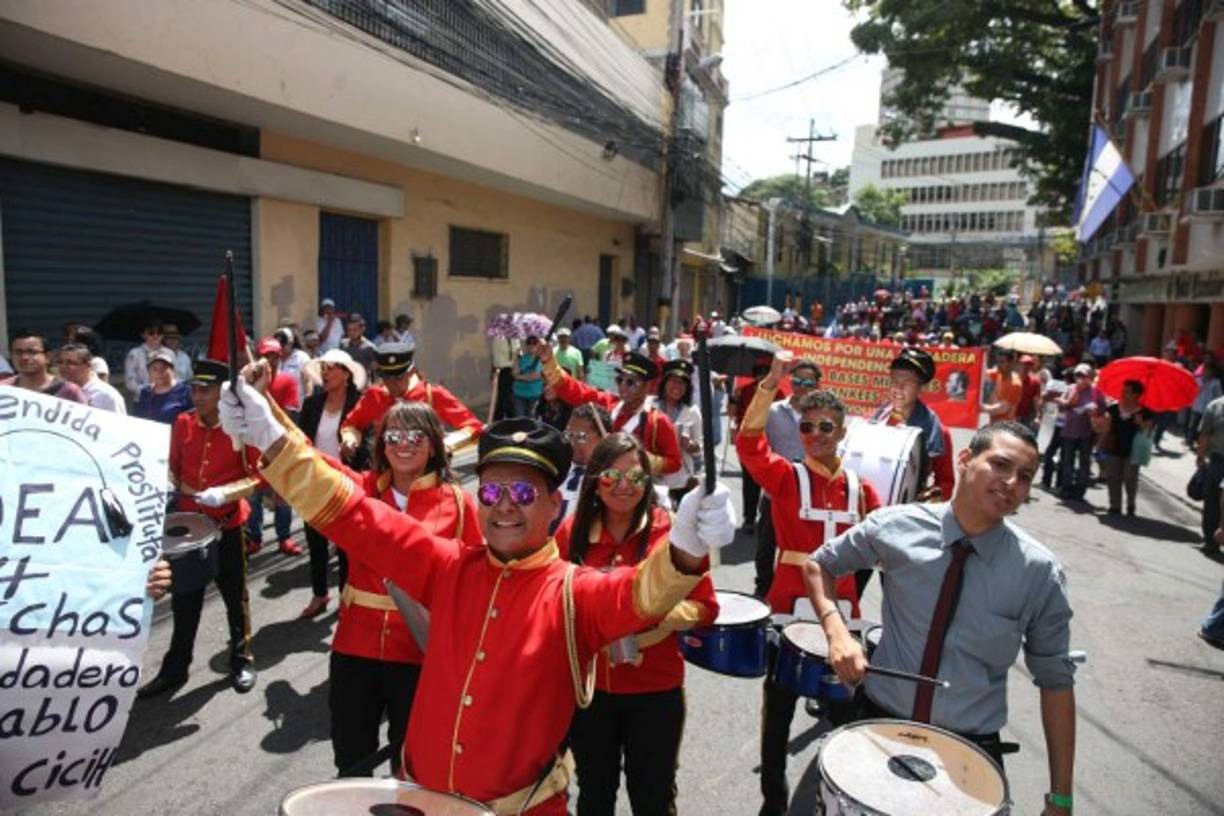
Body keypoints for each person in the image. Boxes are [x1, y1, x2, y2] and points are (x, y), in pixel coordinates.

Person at [218, 376, 737, 814]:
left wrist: (687, 548)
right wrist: (273, 438)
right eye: (490, 491)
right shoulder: (448, 567)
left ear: (556, 504)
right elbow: (357, 515)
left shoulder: (574, 593)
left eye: (523, 493)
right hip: (419, 803)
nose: (504, 506)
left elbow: (642, 594)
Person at [804, 421, 1077, 816]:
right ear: (965, 460)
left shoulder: (1038, 572)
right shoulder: (896, 526)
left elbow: (1056, 683)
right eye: (1000, 465)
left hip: (970, 754)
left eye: (1025, 477)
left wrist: (1061, 799)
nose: (1011, 482)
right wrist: (837, 633)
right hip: (877, 727)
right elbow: (820, 565)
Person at [737, 352, 882, 816]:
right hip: (785, 614)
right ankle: (773, 804)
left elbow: (882, 550)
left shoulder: (864, 490)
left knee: (845, 722)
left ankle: (834, 801)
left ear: (842, 432)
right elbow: (749, 444)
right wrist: (769, 385)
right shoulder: (784, 477)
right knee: (776, 721)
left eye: (826, 427)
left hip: (842, 622)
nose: (815, 435)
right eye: (807, 426)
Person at [555, 432, 718, 815]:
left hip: (655, 688)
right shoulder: (570, 532)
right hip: (590, 691)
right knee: (594, 794)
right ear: (596, 480)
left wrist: (652, 616)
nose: (624, 487)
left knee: (653, 797)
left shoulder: (672, 533)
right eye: (612, 477)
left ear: (648, 483)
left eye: (636, 478)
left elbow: (706, 608)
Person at [323, 401, 482, 776]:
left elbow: (477, 584)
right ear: (381, 445)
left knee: (412, 762)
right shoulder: (360, 490)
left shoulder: (460, 503)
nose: (403, 444)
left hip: (420, 654)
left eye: (416, 435)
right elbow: (311, 469)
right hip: (354, 646)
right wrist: (262, 415)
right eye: (393, 436)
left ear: (434, 445)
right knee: (350, 756)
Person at [138, 360, 262, 697]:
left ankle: (242, 658)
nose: (197, 395)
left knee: (235, 597)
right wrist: (169, 483)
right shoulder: (182, 422)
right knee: (185, 600)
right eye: (193, 388)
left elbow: (258, 478)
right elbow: (173, 466)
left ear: (222, 392)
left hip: (228, 524)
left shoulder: (241, 427)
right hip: (189, 527)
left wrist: (226, 493)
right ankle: (175, 669)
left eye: (204, 389)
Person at [296, 349, 368, 617]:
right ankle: (319, 594)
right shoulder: (312, 404)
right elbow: (300, 443)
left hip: (347, 483)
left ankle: (345, 596)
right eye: (323, 367)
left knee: (347, 545)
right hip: (314, 483)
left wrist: (354, 450)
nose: (325, 373)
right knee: (315, 542)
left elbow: (369, 443)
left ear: (347, 375)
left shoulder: (360, 404)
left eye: (332, 368)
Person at [539, 346, 682, 478]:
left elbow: (675, 462)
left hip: (633, 488)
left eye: (631, 382)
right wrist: (549, 361)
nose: (623, 387)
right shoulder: (608, 403)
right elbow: (574, 391)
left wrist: (640, 457)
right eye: (620, 380)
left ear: (646, 387)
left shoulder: (657, 421)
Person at [341, 342, 484, 459]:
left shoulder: (432, 394)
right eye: (386, 378)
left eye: (398, 378)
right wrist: (350, 440)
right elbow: (351, 424)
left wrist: (446, 444)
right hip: (385, 474)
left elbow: (474, 427)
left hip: (427, 473)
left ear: (411, 372)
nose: (392, 384)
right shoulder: (375, 395)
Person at [752, 357, 822, 598]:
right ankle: (762, 590)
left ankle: (796, 593)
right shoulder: (772, 411)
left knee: (799, 549)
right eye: (798, 380)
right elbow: (758, 445)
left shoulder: (822, 419)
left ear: (817, 386)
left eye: (808, 382)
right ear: (790, 381)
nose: (802, 386)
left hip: (808, 497)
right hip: (774, 492)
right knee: (765, 548)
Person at [870, 347, 956, 501]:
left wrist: (931, 497)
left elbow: (946, 482)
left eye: (907, 382)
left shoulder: (938, 432)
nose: (898, 387)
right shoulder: (874, 420)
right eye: (894, 381)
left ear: (922, 388)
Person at [555, 403, 613, 529]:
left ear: (603, 439)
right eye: (569, 434)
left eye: (581, 437)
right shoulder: (555, 470)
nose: (572, 442)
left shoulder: (609, 481)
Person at [1099, 379, 1152, 517]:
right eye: (1123, 390)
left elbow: (1149, 433)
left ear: (1137, 395)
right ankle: (1114, 505)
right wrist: (1100, 444)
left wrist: (1141, 424)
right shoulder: (1113, 408)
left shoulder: (1145, 412)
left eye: (1127, 391)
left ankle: (1130, 504)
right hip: (1114, 447)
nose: (1123, 393)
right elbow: (1107, 428)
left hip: (1133, 451)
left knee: (1130, 478)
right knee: (1113, 477)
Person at [656, 359, 702, 508]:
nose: (677, 386)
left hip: (680, 481)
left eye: (682, 383)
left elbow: (698, 450)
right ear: (664, 383)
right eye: (673, 381)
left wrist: (691, 445)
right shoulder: (650, 406)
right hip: (654, 478)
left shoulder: (692, 412)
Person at [1057, 364, 1104, 500]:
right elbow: (1061, 408)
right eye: (1078, 375)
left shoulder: (1095, 391)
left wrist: (1094, 410)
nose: (1080, 378)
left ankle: (1080, 491)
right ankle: (1066, 488)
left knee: (1084, 463)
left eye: (1083, 376)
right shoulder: (1070, 388)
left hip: (1086, 432)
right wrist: (1069, 403)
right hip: (1069, 429)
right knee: (1067, 461)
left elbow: (1103, 409)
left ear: (1089, 377)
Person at [2, 329, 87, 403]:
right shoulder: (3, 389)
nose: (24, 357)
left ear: (48, 356)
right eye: (18, 352)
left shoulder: (68, 391)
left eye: (31, 352)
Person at [57, 342, 126, 413]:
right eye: (60, 362)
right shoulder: (56, 389)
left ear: (88, 365)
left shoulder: (108, 396)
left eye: (70, 363)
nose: (63, 367)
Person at [1195, 392, 1224, 554]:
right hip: (1218, 461)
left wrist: (1200, 456)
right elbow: (1204, 435)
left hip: (1218, 460)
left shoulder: (1215, 405)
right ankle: (1211, 539)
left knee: (1212, 501)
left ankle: (1211, 541)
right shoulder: (1215, 406)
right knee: (1212, 499)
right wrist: (1201, 456)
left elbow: (1204, 435)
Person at [134, 348, 193, 424]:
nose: (159, 372)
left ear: (172, 370)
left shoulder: (185, 391)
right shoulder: (145, 392)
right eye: (155, 369)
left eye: (164, 368)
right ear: (149, 372)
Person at [124, 323, 165, 398]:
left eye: (159, 332)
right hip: (143, 398)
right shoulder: (134, 354)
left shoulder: (169, 353)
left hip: (166, 397)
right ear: (143, 335)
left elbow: (175, 377)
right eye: (151, 333)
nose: (155, 336)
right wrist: (146, 391)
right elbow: (130, 382)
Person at [1187, 360, 1221, 447]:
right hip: (1197, 406)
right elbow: (1190, 391)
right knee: (1193, 425)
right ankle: (1189, 441)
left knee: (1203, 428)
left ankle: (1199, 442)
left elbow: (1219, 395)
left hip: (1208, 408)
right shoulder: (1197, 379)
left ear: (1213, 372)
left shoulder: (1216, 382)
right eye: (1206, 370)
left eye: (1210, 370)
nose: (1208, 372)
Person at [982, 350, 1023, 423]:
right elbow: (981, 372)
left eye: (1002, 362)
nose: (998, 365)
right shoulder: (998, 373)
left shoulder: (1015, 384)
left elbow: (1002, 409)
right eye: (997, 362)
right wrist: (982, 355)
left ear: (1011, 364)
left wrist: (981, 408)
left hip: (1005, 425)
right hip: (993, 422)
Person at [513, 335, 545, 418]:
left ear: (538, 345)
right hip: (519, 394)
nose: (531, 345)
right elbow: (514, 373)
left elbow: (534, 377)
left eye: (534, 343)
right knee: (520, 420)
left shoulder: (541, 359)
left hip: (534, 395)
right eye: (529, 343)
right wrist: (516, 357)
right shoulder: (521, 358)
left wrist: (519, 377)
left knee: (532, 420)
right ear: (526, 345)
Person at [276, 327, 313, 399]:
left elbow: (308, 381)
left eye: (282, 345)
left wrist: (308, 400)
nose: (280, 348)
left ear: (290, 344)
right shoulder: (274, 359)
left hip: (298, 405)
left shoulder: (301, 358)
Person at [1016, 355, 1044, 433]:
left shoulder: (1035, 381)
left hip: (1025, 417)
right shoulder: (1012, 378)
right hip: (1010, 415)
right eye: (1023, 364)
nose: (1026, 367)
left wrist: (1038, 416)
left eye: (1029, 365)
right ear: (1018, 365)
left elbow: (1037, 399)